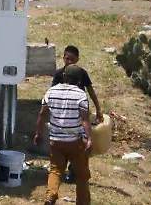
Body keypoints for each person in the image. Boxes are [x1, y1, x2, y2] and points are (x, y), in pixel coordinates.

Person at [35, 64, 93, 205]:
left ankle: (50, 197)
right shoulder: (80, 94)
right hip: (76, 142)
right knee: (81, 175)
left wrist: (38, 133)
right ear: (79, 80)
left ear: (63, 76)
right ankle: (83, 202)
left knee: (55, 171)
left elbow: (42, 114)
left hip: (56, 141)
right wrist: (89, 138)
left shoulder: (51, 91)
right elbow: (84, 119)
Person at [53, 45, 102, 183]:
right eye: (66, 58)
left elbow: (91, 91)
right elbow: (52, 94)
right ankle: (60, 171)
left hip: (80, 113)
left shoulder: (82, 73)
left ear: (77, 60)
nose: (68, 61)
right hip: (64, 113)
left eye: (72, 59)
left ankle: (74, 171)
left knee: (80, 143)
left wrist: (98, 109)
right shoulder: (58, 74)